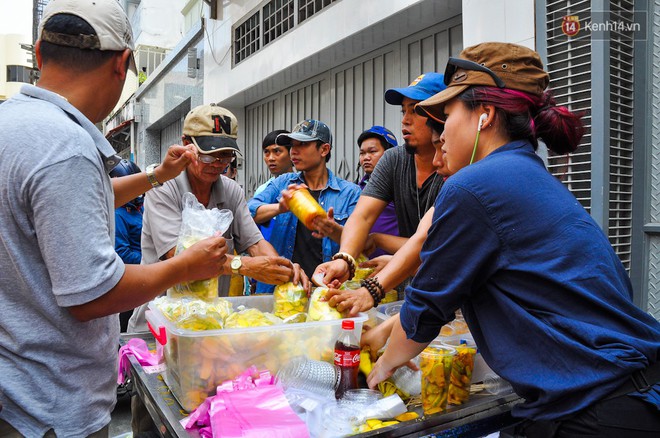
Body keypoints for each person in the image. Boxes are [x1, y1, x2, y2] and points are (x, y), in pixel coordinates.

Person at [364, 42, 660, 437]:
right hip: (627, 394)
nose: (441, 133)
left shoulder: (475, 184)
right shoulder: (527, 175)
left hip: (596, 409)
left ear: (484, 115)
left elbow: (428, 305)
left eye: (448, 114)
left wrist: (380, 368)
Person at [0, 1, 227, 436]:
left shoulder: (16, 124)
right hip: (50, 408)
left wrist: (157, 175)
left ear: (41, 56)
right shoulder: (66, 147)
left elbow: (66, 207)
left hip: (15, 388)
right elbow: (92, 296)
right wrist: (187, 265)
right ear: (122, 63)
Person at [127, 104, 307, 333]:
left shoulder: (232, 191)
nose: (218, 164)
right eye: (208, 155)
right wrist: (244, 266)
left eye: (225, 156)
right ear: (186, 145)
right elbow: (180, 256)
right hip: (158, 324)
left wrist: (282, 268)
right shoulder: (163, 188)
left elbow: (255, 244)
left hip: (209, 325)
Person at [313, 73, 446, 286]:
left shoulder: (457, 166)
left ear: (441, 114)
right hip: (409, 287)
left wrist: (379, 240)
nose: (405, 120)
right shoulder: (394, 159)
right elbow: (363, 216)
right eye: (404, 111)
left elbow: (435, 245)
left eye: (415, 110)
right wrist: (344, 258)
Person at [248, 119, 362, 292]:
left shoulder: (350, 193)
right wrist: (279, 208)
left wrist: (332, 230)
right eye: (292, 145)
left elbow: (359, 244)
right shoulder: (283, 184)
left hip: (326, 289)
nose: (294, 151)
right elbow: (249, 212)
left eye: (302, 144)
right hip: (282, 288)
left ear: (324, 149)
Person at [109, 159, 144, 332]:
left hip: (146, 275)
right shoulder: (118, 213)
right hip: (132, 279)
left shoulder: (139, 207)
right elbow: (122, 252)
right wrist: (153, 261)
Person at [355, 126, 399, 257]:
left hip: (397, 265)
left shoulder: (401, 188)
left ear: (390, 154)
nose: (366, 157)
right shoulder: (356, 189)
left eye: (372, 151)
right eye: (362, 153)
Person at [253, 129, 293, 242]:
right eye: (266, 152)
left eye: (277, 151)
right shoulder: (263, 190)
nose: (271, 158)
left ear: (292, 153)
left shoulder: (301, 187)